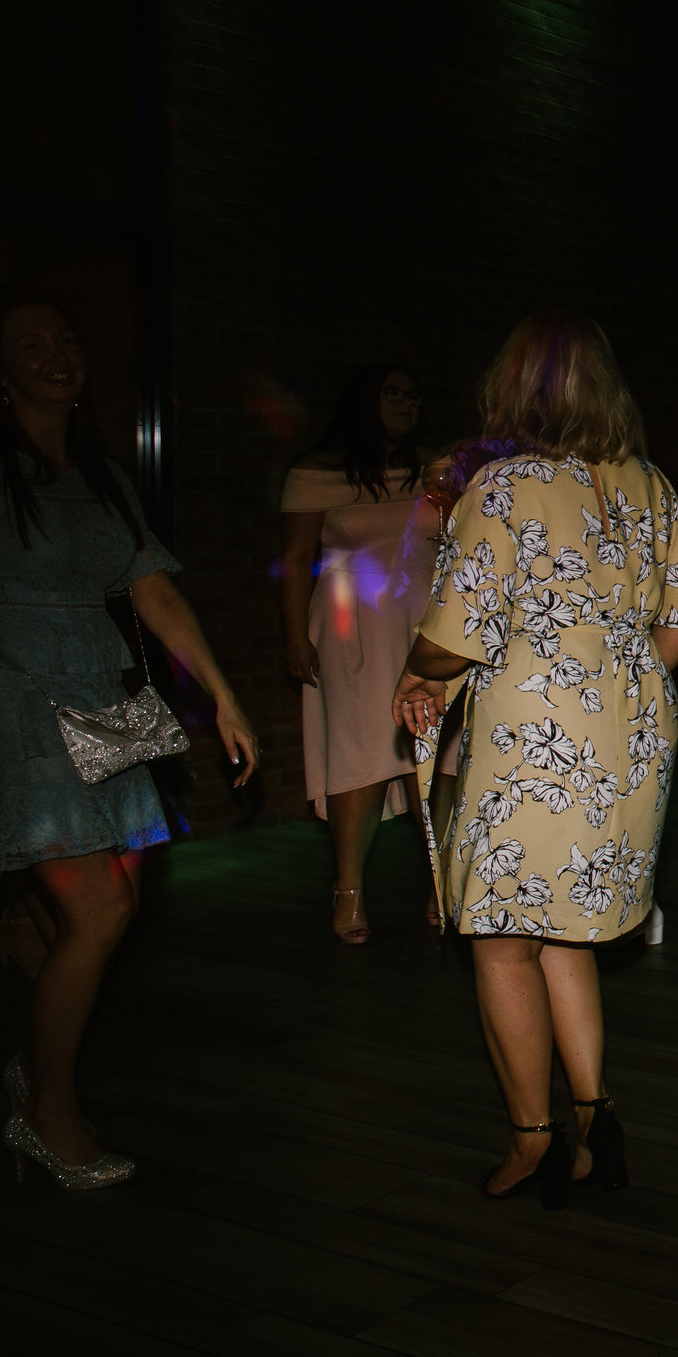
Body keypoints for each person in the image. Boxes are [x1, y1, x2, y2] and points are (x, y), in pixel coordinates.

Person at [0, 300, 260, 1188]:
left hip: (105, 704)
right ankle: (49, 1114)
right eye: (30, 345)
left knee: (117, 907)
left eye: (67, 339)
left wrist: (224, 699)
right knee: (99, 912)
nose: (56, 355)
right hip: (17, 712)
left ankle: (38, 1034)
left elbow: (157, 595)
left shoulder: (105, 475)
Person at [391, 311, 678, 1206]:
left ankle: (534, 1139)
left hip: (532, 740)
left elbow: (452, 634)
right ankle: (595, 1123)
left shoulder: (501, 488)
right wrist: (625, 676)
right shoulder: (645, 482)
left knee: (499, 938)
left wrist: (415, 675)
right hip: (629, 733)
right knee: (562, 929)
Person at [279, 362, 433, 943]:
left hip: (422, 615)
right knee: (359, 752)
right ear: (363, 401)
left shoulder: (434, 471)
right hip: (352, 622)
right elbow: (295, 560)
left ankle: (441, 883)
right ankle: (348, 891)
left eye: (414, 395)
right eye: (393, 393)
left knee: (434, 757)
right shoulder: (316, 473)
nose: (406, 404)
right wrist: (295, 637)